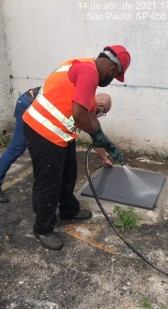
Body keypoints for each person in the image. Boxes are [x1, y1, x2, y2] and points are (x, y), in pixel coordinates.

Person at [22, 44, 131, 250]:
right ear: (111, 70)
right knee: (49, 181)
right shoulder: (88, 71)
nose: (112, 80)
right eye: (115, 76)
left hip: (59, 134)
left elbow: (90, 115)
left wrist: (105, 141)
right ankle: (43, 228)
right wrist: (97, 135)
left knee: (68, 172)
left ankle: (68, 210)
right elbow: (79, 115)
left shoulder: (86, 70)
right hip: (42, 131)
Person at [0, 90, 112, 202]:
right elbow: (93, 132)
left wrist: (104, 157)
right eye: (103, 112)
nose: (101, 115)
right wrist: (104, 158)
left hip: (34, 102)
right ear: (100, 106)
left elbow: (94, 132)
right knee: (17, 148)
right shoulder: (85, 103)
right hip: (29, 103)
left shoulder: (87, 100)